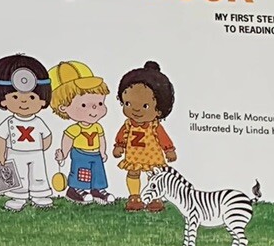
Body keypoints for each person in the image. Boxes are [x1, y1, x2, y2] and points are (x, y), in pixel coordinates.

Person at [0, 54, 56, 210]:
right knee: (19, 176)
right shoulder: (9, 122)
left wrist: (43, 146)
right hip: (15, 153)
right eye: (15, 97)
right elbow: (1, 138)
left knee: (38, 174)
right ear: (3, 100)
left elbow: (47, 136)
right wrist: (0, 154)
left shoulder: (38, 122)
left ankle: (40, 195)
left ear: (42, 100)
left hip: (36, 153)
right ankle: (18, 198)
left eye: (32, 97)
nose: (24, 101)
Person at [112, 60, 178, 212]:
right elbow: (122, 135)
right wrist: (119, 146)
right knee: (133, 173)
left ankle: (155, 198)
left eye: (145, 106)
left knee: (153, 175)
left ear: (159, 110)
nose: (136, 110)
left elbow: (163, 138)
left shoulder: (154, 126)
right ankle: (134, 196)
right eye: (128, 104)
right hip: (134, 154)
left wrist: (169, 150)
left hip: (152, 155)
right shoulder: (129, 124)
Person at [50, 59, 111, 203]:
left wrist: (103, 152)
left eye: (100, 103)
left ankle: (98, 189)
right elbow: (68, 140)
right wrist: (64, 154)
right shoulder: (74, 129)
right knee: (81, 172)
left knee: (98, 172)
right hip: (80, 153)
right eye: (84, 105)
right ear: (63, 107)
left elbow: (101, 139)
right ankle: (75, 189)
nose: (94, 109)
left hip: (95, 153)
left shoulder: (98, 127)